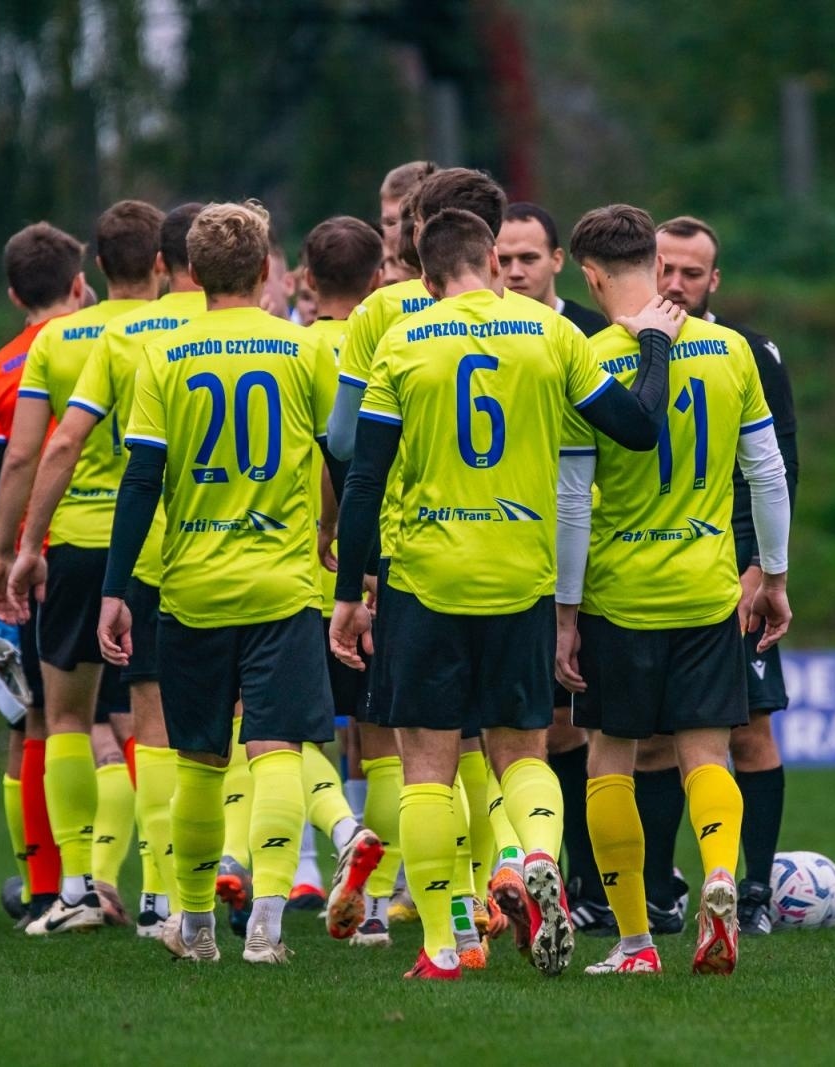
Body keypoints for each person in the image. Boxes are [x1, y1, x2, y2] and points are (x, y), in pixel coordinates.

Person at [328, 206, 683, 980]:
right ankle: (533, 859)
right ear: (493, 259)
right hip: (522, 577)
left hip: (425, 578)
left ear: (423, 278)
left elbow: (362, 476)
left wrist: (352, 590)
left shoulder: (401, 339)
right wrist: (653, 343)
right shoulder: (551, 334)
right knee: (520, 752)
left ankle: (445, 944)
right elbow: (636, 426)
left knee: (427, 765)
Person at [98, 201, 382, 966]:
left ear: (188, 273)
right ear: (265, 272)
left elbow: (142, 478)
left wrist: (116, 587)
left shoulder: (166, 355)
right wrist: (353, 567)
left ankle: (192, 924)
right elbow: (347, 467)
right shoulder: (300, 350)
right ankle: (265, 927)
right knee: (278, 750)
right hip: (283, 587)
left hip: (192, 585)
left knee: (198, 759)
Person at [553, 205, 792, 978]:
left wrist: (564, 611)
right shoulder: (731, 350)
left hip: (619, 595)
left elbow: (571, 499)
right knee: (707, 752)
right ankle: (720, 874)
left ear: (587, 276)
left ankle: (634, 943)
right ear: (658, 268)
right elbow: (766, 473)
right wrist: (776, 576)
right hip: (706, 589)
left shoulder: (587, 360)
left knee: (610, 762)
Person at [0, 202, 208, 939]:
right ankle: (163, 896)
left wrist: (14, 548)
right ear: (160, 262)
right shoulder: (187, 327)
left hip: (79, 546)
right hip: (165, 542)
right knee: (155, 722)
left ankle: (77, 887)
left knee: (65, 718)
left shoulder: (58, 336)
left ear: (95, 271)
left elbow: (27, 454)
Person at [327, 167, 524, 968]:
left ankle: (443, 920)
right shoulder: (526, 317)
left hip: (414, 555)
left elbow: (346, 445)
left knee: (422, 752)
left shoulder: (384, 312)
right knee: (501, 744)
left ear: (416, 234)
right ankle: (503, 866)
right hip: (518, 552)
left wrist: (355, 566)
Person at [657, 215, 801, 937]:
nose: (674, 283)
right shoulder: (616, 348)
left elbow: (779, 470)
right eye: (665, 267)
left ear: (714, 281)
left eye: (691, 272)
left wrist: (759, 567)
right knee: (648, 738)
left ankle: (753, 889)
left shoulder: (749, 352)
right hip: (647, 577)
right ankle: (659, 887)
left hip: (732, 574)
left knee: (750, 732)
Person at [493, 200, 613, 934]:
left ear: (558, 260)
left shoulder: (588, 337)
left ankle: (577, 878)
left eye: (526, 257)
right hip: (507, 559)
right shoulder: (479, 330)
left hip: (578, 555)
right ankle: (520, 874)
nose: (513, 269)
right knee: (513, 730)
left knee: (571, 728)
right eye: (502, 258)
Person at [0, 223, 85, 927]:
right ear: (78, 283)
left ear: (13, 294)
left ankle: (44, 884)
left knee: (36, 718)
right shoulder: (109, 342)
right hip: (123, 551)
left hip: (36, 559)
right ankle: (118, 877)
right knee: (127, 719)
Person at [300, 215, 393, 941]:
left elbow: (334, 454)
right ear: (377, 275)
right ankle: (384, 903)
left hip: (302, 570)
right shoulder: (392, 337)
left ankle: (309, 860)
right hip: (395, 557)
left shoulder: (293, 349)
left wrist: (328, 533)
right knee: (389, 733)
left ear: (304, 277)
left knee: (289, 734)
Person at [497, 202, 606, 336]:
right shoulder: (476, 335)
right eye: (503, 261)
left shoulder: (596, 332)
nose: (515, 272)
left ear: (557, 260)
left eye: (528, 258)